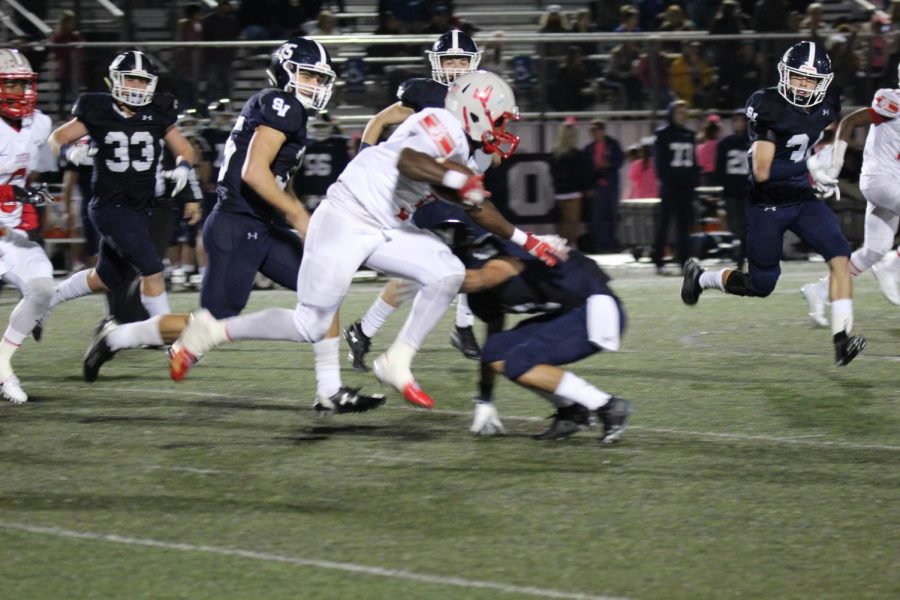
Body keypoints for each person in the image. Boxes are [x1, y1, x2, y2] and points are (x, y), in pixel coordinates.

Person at [168, 71, 566, 410]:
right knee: (310, 324)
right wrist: (458, 180)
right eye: (499, 120)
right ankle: (213, 333)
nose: (503, 131)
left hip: (384, 226)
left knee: (447, 271)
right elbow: (409, 160)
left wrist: (528, 241)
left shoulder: (461, 148)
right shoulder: (442, 124)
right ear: (476, 112)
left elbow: (478, 209)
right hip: (346, 216)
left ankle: (398, 360)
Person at [82, 38, 385, 415]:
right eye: (307, 74)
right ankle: (116, 337)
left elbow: (274, 175)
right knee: (208, 325)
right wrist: (299, 216)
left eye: (320, 77)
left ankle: (330, 389)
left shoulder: (288, 110)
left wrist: (291, 213)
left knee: (325, 288)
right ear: (285, 73)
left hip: (260, 225)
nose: (315, 84)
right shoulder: (282, 104)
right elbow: (254, 173)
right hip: (236, 226)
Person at [682, 41, 866, 366]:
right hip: (768, 202)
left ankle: (842, 340)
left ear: (823, 83)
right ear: (784, 74)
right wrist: (811, 166)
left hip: (802, 197)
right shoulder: (767, 105)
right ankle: (701, 277)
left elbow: (833, 130)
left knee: (840, 256)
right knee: (760, 284)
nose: (804, 86)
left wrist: (831, 160)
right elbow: (764, 171)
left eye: (811, 80)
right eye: (798, 78)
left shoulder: (827, 104)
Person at [344, 29, 488, 368]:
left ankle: (463, 327)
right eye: (449, 61)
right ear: (437, 64)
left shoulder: (481, 99)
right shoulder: (426, 94)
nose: (454, 68)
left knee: (473, 254)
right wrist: (365, 156)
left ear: (473, 63)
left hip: (457, 190)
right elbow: (379, 120)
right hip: (423, 191)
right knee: (415, 271)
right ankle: (364, 330)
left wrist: (493, 149)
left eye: (461, 61)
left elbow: (484, 159)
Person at [41, 50, 196, 340]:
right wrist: (69, 151)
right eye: (131, 80)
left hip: (141, 206)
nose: (137, 87)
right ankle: (172, 341)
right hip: (109, 205)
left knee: (106, 277)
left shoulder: (159, 110)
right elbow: (57, 137)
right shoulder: (96, 108)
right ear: (115, 80)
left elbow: (185, 149)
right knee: (152, 267)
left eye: (142, 81)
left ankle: (47, 299)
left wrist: (183, 168)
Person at [453, 227, 632, 443]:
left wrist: (430, 277)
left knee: (518, 362)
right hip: (570, 311)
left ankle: (607, 405)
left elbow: (484, 277)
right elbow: (493, 335)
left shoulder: (495, 255)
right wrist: (485, 398)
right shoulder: (477, 295)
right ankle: (572, 411)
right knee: (496, 350)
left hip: (597, 308)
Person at [801, 66, 900, 319]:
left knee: (874, 250)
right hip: (882, 180)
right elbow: (851, 121)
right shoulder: (894, 100)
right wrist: (836, 162)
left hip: (890, 186)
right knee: (885, 257)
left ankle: (820, 290)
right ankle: (894, 264)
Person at [0, 49, 55, 403]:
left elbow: (39, 172)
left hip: (12, 232)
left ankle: (2, 365)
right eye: (11, 85)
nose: (20, 93)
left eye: (24, 84)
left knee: (42, 288)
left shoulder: (41, 124)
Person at [652, 100, 697, 271]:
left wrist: (693, 181)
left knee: (684, 224)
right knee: (664, 222)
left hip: (685, 186)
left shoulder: (689, 134)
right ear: (671, 114)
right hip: (670, 186)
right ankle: (658, 258)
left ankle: (684, 259)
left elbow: (693, 161)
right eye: (678, 112)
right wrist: (667, 180)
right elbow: (659, 162)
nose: (682, 116)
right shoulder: (662, 134)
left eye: (684, 113)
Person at [714, 110, 751, 269]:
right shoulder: (725, 144)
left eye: (742, 120)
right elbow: (719, 170)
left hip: (750, 192)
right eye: (736, 120)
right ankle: (740, 255)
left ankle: (741, 258)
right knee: (735, 227)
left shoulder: (755, 142)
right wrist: (724, 187)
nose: (739, 124)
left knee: (746, 227)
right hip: (732, 192)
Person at [583, 119, 624, 253]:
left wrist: (609, 165)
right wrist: (588, 187)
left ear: (602, 130)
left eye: (595, 130)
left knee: (612, 216)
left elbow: (620, 160)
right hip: (597, 187)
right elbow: (586, 170)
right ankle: (599, 246)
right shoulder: (589, 149)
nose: (593, 133)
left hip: (611, 186)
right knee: (597, 218)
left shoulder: (612, 144)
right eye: (591, 131)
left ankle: (611, 244)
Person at [550, 117, 590, 248]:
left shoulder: (555, 154)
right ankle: (571, 248)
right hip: (573, 191)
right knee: (573, 222)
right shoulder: (576, 154)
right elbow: (581, 174)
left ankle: (561, 247)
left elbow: (552, 173)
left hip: (560, 191)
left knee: (564, 221)